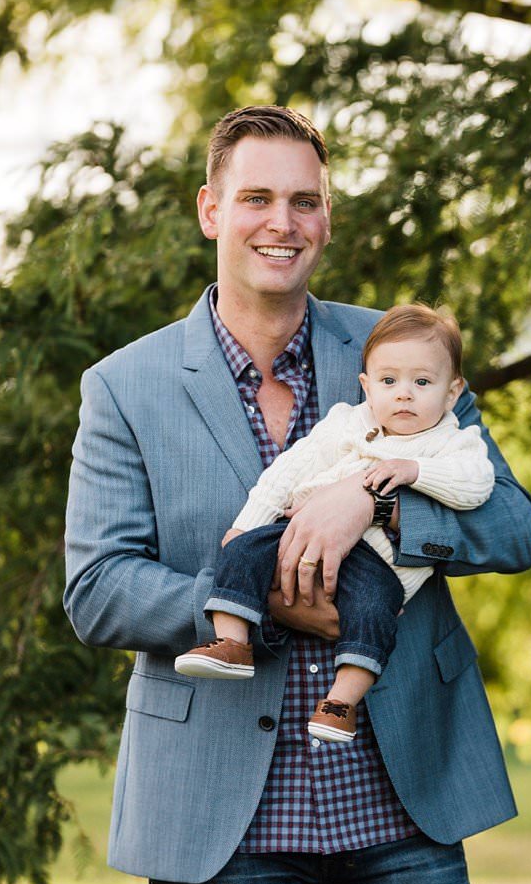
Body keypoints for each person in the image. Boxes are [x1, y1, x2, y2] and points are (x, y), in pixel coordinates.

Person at [64, 105, 531, 884]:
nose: (280, 222)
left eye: (304, 201)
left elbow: (514, 527)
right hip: (220, 822)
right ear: (211, 210)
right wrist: (274, 609)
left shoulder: (404, 356)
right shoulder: (126, 386)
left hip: (400, 806)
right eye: (256, 198)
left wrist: (382, 501)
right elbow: (99, 587)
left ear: (326, 217)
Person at [175, 302, 496, 744]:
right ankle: (232, 642)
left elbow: (476, 485)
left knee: (374, 610)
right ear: (367, 385)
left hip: (376, 560)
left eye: (422, 382)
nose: (404, 393)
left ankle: (340, 702)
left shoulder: (453, 441)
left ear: (452, 390)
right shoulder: (347, 422)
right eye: (389, 381)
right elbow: (287, 471)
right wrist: (247, 525)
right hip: (298, 532)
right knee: (244, 550)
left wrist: (413, 472)